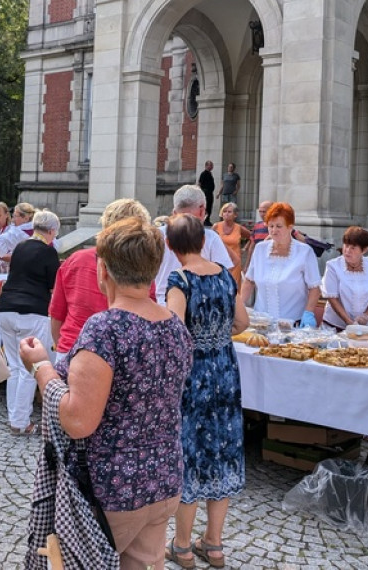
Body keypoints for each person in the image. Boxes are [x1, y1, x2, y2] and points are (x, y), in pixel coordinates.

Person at [20, 217, 193, 569]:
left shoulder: (105, 329)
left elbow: (78, 420)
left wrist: (41, 367)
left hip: (113, 489)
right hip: (163, 478)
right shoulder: (174, 325)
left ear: (104, 270)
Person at [164, 214, 247, 570]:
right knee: (224, 451)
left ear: (171, 246)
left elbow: (173, 333)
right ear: (203, 241)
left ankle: (182, 546)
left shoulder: (179, 279)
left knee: (192, 454)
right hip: (225, 371)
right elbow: (242, 323)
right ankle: (213, 543)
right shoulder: (225, 276)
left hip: (194, 374)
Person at [49, 198, 152, 364]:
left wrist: (62, 347)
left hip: (73, 347)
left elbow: (56, 317)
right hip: (122, 354)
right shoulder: (142, 267)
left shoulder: (75, 260)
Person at [0, 209, 60, 435]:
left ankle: (14, 416)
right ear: (51, 231)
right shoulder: (49, 253)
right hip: (32, 311)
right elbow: (54, 288)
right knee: (30, 368)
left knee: (13, 366)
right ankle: (20, 422)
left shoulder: (20, 247)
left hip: (6, 308)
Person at [240, 202, 321, 323]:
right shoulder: (260, 249)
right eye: (271, 226)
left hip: (292, 323)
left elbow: (314, 288)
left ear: (290, 227)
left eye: (279, 226)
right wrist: (239, 307)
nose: (273, 230)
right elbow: (249, 281)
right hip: (261, 323)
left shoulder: (304, 252)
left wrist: (308, 312)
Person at [153, 185, 231, 304]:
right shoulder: (211, 237)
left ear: (174, 212)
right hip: (202, 306)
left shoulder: (155, 235)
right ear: (202, 210)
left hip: (162, 305)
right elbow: (225, 279)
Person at [321, 226, 368, 329]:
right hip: (335, 326)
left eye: (353, 247)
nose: (347, 251)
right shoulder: (332, 266)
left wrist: (365, 317)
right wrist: (349, 322)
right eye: (346, 245)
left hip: (366, 327)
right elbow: (332, 299)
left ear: (364, 250)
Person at [212, 202, 250, 287]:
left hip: (235, 262)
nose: (226, 214)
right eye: (224, 211)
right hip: (220, 261)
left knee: (234, 288)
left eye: (229, 212)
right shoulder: (216, 226)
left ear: (235, 215)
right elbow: (210, 241)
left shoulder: (239, 228)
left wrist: (245, 248)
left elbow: (252, 237)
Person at [198, 161, 215, 225]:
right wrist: (201, 193)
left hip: (210, 192)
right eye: (210, 165)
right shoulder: (203, 173)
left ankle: (207, 220)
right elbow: (200, 183)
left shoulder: (210, 174)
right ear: (206, 166)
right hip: (205, 192)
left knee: (209, 206)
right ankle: (204, 220)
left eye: (212, 165)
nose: (211, 167)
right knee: (206, 206)